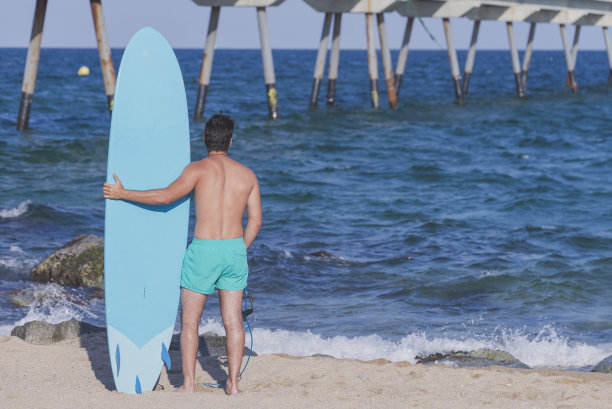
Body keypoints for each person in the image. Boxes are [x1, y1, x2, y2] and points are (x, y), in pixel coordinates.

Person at [103, 112, 262, 395]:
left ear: (204, 139)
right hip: (234, 250)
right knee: (233, 322)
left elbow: (165, 196)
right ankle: (233, 385)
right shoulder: (248, 175)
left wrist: (123, 193)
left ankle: (188, 385)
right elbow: (256, 220)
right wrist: (239, 249)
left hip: (203, 250)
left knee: (190, 322)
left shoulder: (197, 170)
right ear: (231, 141)